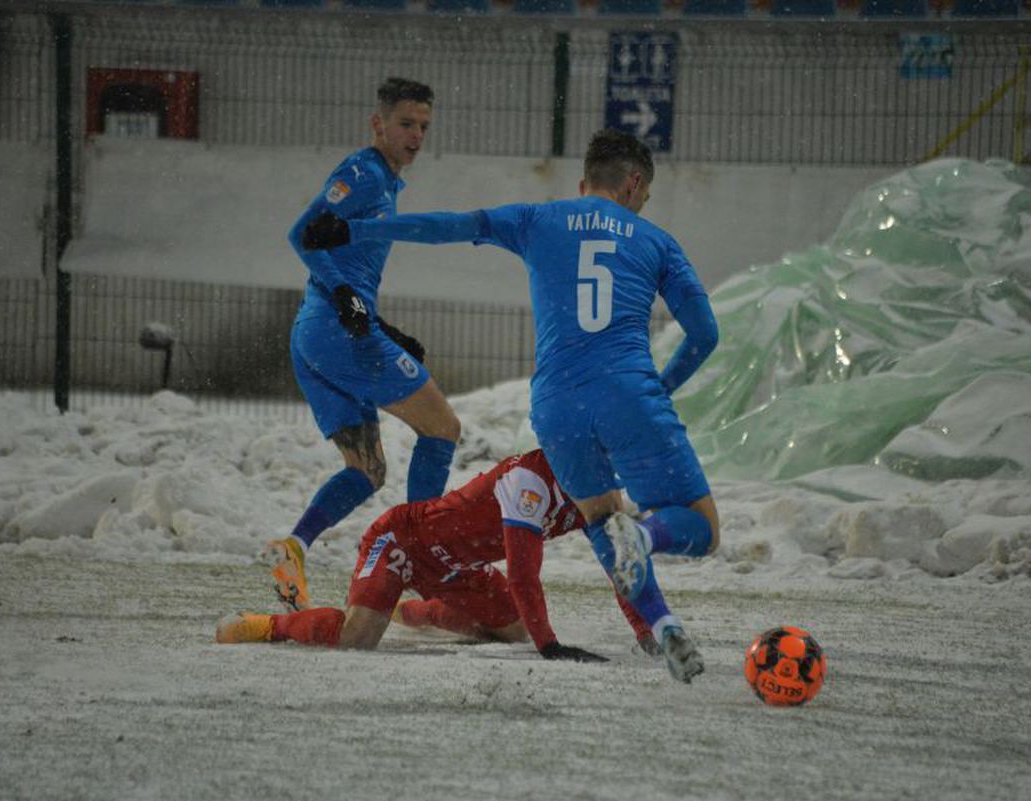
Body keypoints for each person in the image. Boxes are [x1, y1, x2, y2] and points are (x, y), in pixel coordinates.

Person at [301, 129, 720, 683]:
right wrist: (660, 389)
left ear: (582, 183)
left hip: (554, 403)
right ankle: (644, 536)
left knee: (600, 517)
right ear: (635, 183)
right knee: (700, 528)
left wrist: (357, 228)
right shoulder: (656, 240)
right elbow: (704, 335)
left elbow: (452, 225)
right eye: (644, 195)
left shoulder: (538, 219)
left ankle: (662, 624)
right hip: (625, 389)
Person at [266, 77, 462, 612]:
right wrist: (350, 300)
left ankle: (294, 547)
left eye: (423, 126)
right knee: (443, 428)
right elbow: (302, 233)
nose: (416, 135)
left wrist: (373, 319)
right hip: (334, 329)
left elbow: (337, 255)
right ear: (377, 124)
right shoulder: (364, 173)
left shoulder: (387, 183)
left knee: (367, 471)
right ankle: (425, 564)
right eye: (405, 124)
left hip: (317, 334)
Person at [219, 450, 657, 662]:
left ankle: (412, 612)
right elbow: (524, 574)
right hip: (402, 542)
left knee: (513, 632)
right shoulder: (532, 481)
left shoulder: (598, 492)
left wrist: (647, 631)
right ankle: (264, 625)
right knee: (357, 640)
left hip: (458, 567)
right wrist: (553, 648)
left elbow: (620, 567)